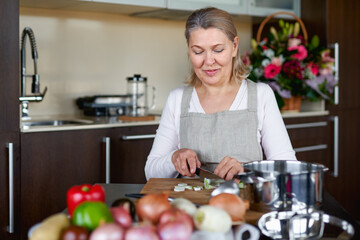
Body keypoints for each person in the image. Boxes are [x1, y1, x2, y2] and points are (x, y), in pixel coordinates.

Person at [145, 7, 296, 181]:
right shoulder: (177, 99)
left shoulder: (261, 95)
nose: (209, 61)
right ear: (189, 50)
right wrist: (173, 158)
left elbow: (288, 170)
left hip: (244, 206)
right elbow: (151, 172)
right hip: (190, 207)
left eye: (218, 50)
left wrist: (248, 172)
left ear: (234, 46)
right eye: (198, 51)